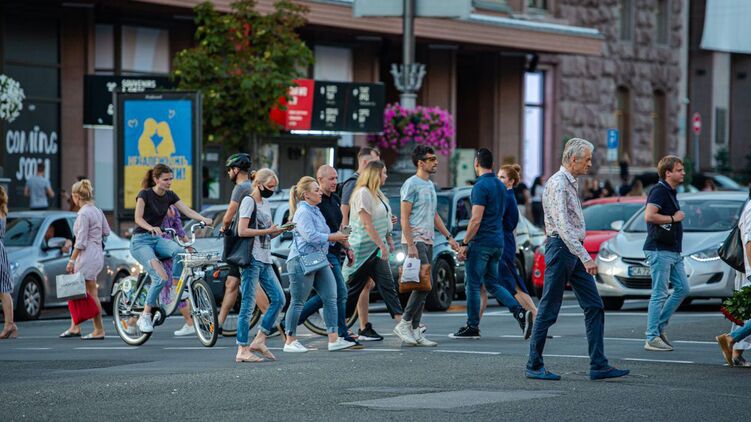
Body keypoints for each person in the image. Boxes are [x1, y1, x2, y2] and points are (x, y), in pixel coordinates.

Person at [526, 138, 629, 381]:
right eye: (587, 160)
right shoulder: (559, 184)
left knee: (594, 305)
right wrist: (585, 257)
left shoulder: (569, 182)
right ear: (574, 160)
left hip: (569, 249)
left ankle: (599, 364)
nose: (590, 164)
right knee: (549, 309)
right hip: (563, 249)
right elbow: (562, 226)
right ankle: (533, 364)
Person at [450, 149, 532, 340]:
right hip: (498, 242)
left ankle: (472, 326)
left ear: (476, 163)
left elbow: (476, 219)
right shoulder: (500, 186)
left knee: (472, 284)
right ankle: (520, 313)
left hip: (482, 242)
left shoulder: (480, 186)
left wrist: (464, 242)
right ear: (492, 164)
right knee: (493, 284)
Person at [130, 164, 213, 334]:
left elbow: (187, 211)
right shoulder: (144, 194)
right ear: (156, 179)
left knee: (179, 252)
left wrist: (204, 218)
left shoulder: (170, 196)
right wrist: (150, 227)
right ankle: (145, 315)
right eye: (165, 179)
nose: (169, 182)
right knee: (160, 278)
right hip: (140, 241)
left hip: (157, 239)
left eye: (171, 179)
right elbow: (138, 218)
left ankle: (176, 286)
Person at [283, 176, 355, 353]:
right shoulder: (303, 212)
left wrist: (340, 240)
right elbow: (311, 236)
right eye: (316, 190)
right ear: (306, 195)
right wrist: (334, 237)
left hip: (318, 259)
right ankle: (290, 340)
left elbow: (322, 237)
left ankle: (334, 339)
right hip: (301, 261)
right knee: (298, 301)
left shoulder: (315, 210)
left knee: (331, 296)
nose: (320, 192)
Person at [397, 146, 460, 347]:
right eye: (431, 159)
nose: (436, 161)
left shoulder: (431, 185)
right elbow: (404, 217)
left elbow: (434, 216)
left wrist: (449, 237)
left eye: (435, 158)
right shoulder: (411, 184)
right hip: (416, 240)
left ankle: (415, 330)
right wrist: (411, 244)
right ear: (420, 163)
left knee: (422, 285)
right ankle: (405, 322)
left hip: (429, 239)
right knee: (426, 283)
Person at [342, 161, 406, 341]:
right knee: (354, 289)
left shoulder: (377, 194)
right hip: (363, 248)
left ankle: (401, 323)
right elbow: (366, 223)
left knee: (387, 285)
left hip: (376, 249)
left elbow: (383, 219)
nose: (386, 176)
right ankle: (340, 325)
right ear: (375, 174)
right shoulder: (362, 193)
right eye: (383, 173)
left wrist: (389, 238)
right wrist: (382, 245)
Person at [235, 169, 288, 362]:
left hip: (265, 258)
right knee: (248, 305)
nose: (272, 190)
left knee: (279, 299)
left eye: (274, 187)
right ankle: (242, 348)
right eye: (270, 187)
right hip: (251, 258)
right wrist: (267, 230)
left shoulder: (265, 203)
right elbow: (242, 230)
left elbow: (268, 232)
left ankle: (259, 339)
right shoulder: (248, 201)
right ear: (259, 184)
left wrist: (281, 229)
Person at [217, 153, 270, 335]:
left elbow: (230, 213)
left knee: (251, 284)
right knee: (232, 283)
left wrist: (224, 227)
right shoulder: (251, 186)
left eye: (230, 170)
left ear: (236, 170)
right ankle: (217, 324)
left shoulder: (241, 188)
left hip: (243, 244)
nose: (229, 173)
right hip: (249, 243)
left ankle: (270, 321)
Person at [642, 156, 690, 352]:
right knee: (659, 294)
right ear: (667, 173)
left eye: (682, 169)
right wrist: (673, 218)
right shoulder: (659, 191)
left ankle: (659, 327)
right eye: (679, 170)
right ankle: (652, 337)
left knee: (683, 289)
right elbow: (649, 215)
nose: (683, 172)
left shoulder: (670, 191)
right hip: (659, 249)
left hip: (673, 250)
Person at [340, 146, 383, 340]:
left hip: (364, 244)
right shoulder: (354, 184)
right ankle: (358, 326)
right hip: (355, 243)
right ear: (366, 163)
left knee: (366, 284)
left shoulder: (367, 185)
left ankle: (362, 325)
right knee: (354, 284)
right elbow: (345, 215)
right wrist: (345, 240)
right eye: (376, 162)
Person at [59, 180, 110, 340]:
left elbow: (80, 241)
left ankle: (98, 329)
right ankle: (75, 326)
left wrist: (71, 261)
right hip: (96, 253)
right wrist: (97, 244)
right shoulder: (97, 210)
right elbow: (106, 232)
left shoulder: (83, 213)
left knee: (88, 292)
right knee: (80, 291)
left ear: (76, 196)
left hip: (86, 255)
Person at [498, 164, 538, 325]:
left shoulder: (507, 198)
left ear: (511, 181)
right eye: (498, 176)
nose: (498, 180)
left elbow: (502, 222)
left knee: (514, 285)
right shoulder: (507, 197)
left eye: (502, 177)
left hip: (504, 245)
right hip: (504, 243)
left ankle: (535, 317)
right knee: (511, 284)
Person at [716, 190, 751, 367]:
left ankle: (734, 346)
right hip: (749, 270)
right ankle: (733, 342)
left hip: (748, 269)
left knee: (746, 313)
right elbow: (749, 242)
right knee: (746, 312)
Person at [160, 205, 196, 337]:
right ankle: (191, 322)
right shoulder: (173, 209)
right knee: (178, 286)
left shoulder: (155, 206)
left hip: (159, 249)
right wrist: (189, 247)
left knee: (170, 286)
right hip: (173, 249)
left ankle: (190, 323)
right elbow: (180, 231)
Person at [0, 186, 17, 339]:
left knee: (3, 290)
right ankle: (10, 324)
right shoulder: (3, 211)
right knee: (3, 289)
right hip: (1, 251)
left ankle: (9, 324)